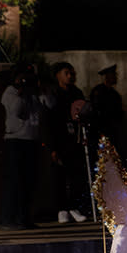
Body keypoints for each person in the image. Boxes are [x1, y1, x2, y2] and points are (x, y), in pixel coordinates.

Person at [0, 63, 43, 230]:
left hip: (31, 140)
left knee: (29, 182)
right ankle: (8, 218)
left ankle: (24, 217)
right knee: (14, 181)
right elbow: (16, 110)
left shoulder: (32, 93)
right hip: (15, 140)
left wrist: (38, 89)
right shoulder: (10, 92)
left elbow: (45, 107)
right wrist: (21, 92)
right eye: (22, 76)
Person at [45, 62, 89, 223]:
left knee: (76, 175)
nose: (70, 76)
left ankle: (73, 207)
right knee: (59, 176)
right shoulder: (52, 94)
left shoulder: (76, 92)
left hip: (74, 139)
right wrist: (52, 147)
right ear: (57, 75)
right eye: (66, 73)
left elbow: (83, 112)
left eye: (72, 73)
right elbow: (49, 121)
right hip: (59, 139)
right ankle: (61, 209)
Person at [88, 64, 127, 173]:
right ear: (107, 77)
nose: (116, 77)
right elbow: (97, 112)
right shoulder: (98, 91)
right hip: (101, 132)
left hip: (114, 133)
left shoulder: (115, 94)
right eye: (113, 75)